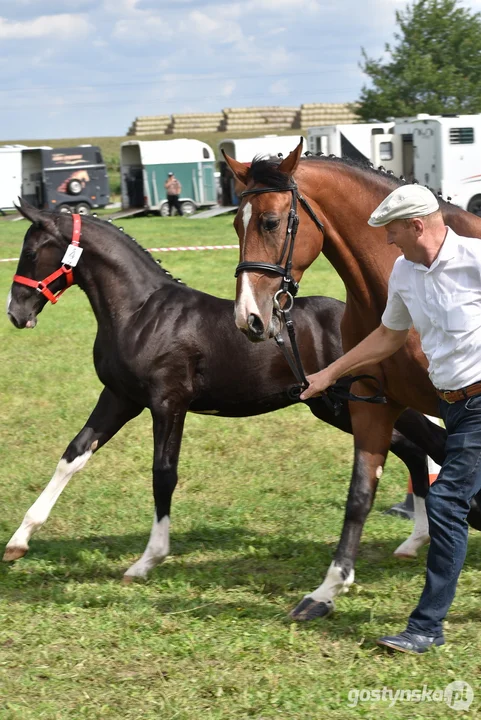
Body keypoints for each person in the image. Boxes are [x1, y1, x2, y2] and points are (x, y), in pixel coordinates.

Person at [300, 184, 481, 654]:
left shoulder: (475, 259)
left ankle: (426, 628)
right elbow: (387, 335)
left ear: (417, 225)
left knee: (445, 504)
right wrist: (330, 372)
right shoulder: (404, 271)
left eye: (393, 231)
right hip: (453, 406)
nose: (387, 241)